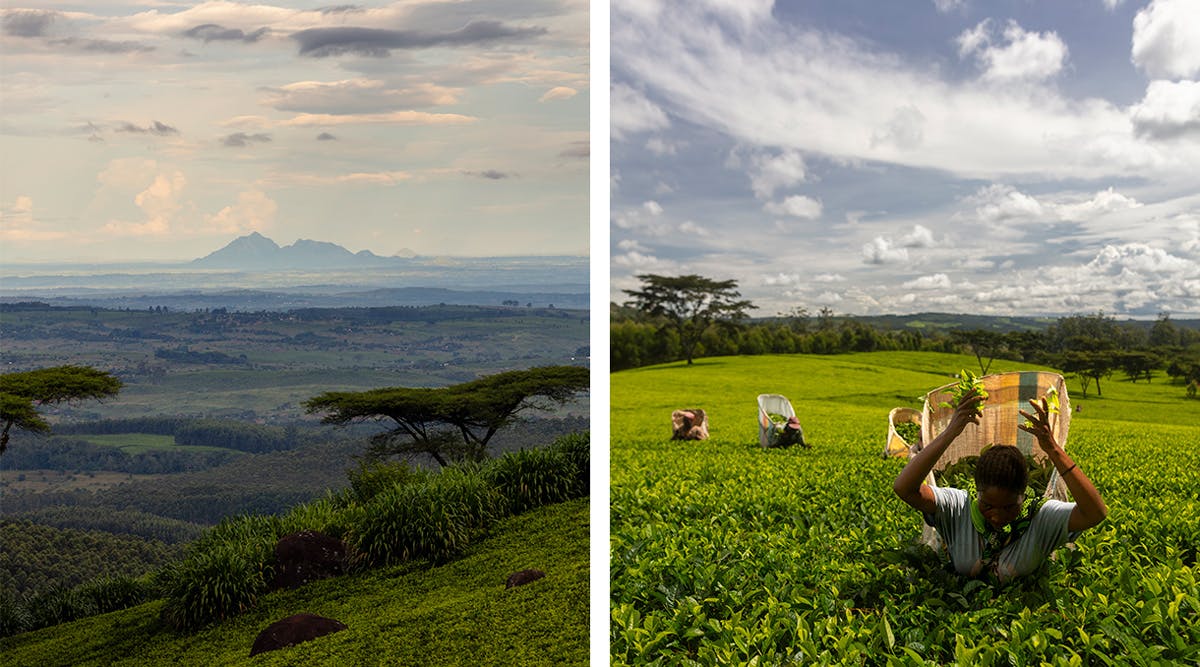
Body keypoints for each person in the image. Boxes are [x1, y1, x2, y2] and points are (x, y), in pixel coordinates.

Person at [892, 389, 1108, 581]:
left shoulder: (1041, 516)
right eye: (987, 506)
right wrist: (951, 432)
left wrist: (1053, 449)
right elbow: (905, 488)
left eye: (1009, 507)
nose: (997, 516)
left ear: (1023, 496)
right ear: (976, 492)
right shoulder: (958, 507)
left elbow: (1095, 513)